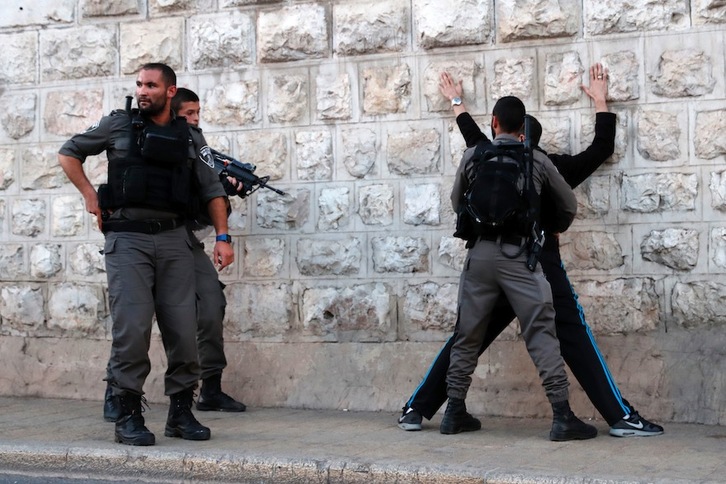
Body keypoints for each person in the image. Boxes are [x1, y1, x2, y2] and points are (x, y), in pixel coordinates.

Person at [398, 64, 664, 438]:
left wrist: (456, 101)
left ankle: (417, 408)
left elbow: (472, 136)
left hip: (486, 262)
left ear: (501, 128)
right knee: (572, 334)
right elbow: (601, 149)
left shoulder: (485, 156)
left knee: (466, 336)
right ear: (529, 136)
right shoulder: (549, 164)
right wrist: (601, 101)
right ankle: (618, 417)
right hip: (537, 266)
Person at [59, 63, 234, 446]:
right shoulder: (118, 124)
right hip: (128, 240)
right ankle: (127, 413)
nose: (142, 90)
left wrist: (222, 236)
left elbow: (212, 190)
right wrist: (90, 195)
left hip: (174, 240)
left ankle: (181, 413)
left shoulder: (191, 137)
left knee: (184, 331)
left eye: (151, 85)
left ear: (170, 91)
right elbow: (69, 152)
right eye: (139, 84)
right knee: (133, 329)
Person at [438, 94, 595, 441]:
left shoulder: (473, 155)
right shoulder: (535, 159)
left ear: (493, 122)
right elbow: (568, 205)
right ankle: (562, 416)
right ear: (523, 126)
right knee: (541, 332)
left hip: (478, 256)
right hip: (519, 258)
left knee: (467, 334)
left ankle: (453, 411)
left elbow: (455, 202)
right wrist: (551, 226)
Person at [102, 88, 246, 420]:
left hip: (184, 240)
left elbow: (208, 193)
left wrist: (225, 192)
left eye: (198, 113)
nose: (195, 120)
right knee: (134, 319)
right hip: (141, 238)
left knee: (211, 303)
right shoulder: (140, 136)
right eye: (189, 113)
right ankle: (116, 389)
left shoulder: (196, 141)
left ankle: (209, 386)